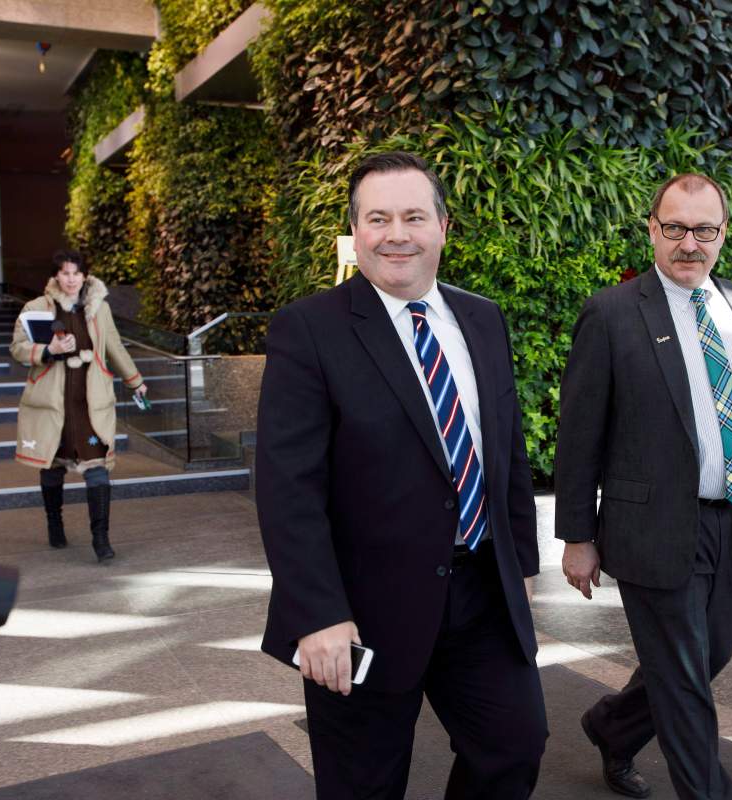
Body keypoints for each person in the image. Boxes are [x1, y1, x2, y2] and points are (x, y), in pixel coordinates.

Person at [256, 151, 547, 799]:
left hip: (479, 598)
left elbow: (506, 456)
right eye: (377, 218)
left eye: (414, 216)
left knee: (515, 747)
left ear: (444, 227)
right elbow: (287, 488)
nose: (397, 233)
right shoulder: (308, 330)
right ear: (355, 232)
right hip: (361, 612)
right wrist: (318, 613)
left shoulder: (482, 319)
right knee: (365, 783)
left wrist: (521, 568)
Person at [555, 174, 732, 799]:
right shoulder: (611, 312)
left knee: (707, 660)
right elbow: (579, 434)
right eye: (675, 228)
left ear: (723, 234)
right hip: (652, 526)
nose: (690, 243)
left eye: (704, 230)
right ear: (653, 230)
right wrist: (578, 535)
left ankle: (613, 727)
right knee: (684, 682)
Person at [10, 251, 147, 563]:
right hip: (53, 405)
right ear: (56, 276)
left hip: (89, 407)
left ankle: (101, 538)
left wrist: (135, 380)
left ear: (85, 276)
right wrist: (49, 349)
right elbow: (17, 348)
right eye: (65, 273)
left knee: (97, 468)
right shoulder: (36, 308)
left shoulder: (100, 308)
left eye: (76, 273)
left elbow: (114, 346)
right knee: (52, 467)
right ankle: (54, 523)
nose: (70, 279)